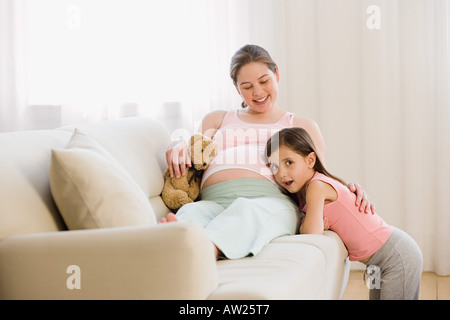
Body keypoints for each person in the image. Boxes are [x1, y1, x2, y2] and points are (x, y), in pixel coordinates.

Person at [161, 44, 374, 260]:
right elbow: (196, 152)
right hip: (213, 201)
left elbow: (318, 178)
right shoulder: (217, 119)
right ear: (237, 89)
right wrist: (178, 143)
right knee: (191, 213)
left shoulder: (300, 125)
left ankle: (202, 250)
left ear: (277, 74)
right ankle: (172, 241)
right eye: (247, 86)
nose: (258, 92)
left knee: (248, 212)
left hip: (271, 202)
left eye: (264, 81)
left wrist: (349, 190)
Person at [265, 127, 423, 299]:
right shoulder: (303, 194)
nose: (281, 173)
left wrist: (306, 223)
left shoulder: (316, 187)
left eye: (288, 162)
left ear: (310, 160)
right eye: (274, 166)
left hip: (395, 256)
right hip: (377, 264)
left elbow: (312, 232)